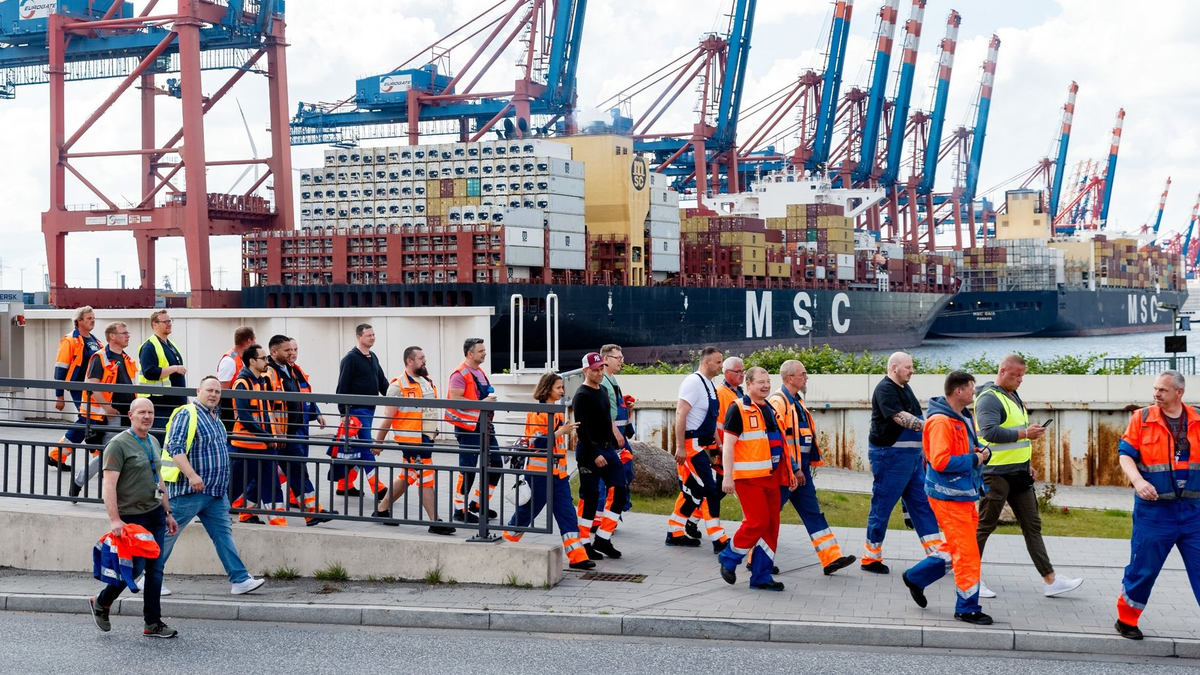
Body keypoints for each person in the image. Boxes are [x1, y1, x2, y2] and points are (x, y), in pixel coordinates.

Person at [975, 354, 1083, 598]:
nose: (1020, 380)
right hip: (996, 474)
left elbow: (1015, 439)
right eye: (1016, 375)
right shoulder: (989, 398)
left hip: (1019, 473)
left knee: (1032, 526)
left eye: (1022, 376)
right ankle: (970, 579)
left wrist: (1027, 463)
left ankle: (1051, 580)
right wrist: (1025, 433)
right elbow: (990, 432)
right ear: (1002, 371)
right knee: (984, 526)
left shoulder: (1012, 396)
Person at [155, 375, 266, 596]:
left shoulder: (215, 417)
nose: (213, 394)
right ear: (198, 391)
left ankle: (240, 580)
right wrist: (192, 475)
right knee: (168, 534)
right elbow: (175, 448)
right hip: (189, 491)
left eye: (217, 391)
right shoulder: (188, 414)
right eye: (209, 390)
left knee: (223, 536)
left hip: (215, 492)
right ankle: (148, 578)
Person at [901, 371, 993, 626]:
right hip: (949, 496)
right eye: (971, 388)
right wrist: (975, 458)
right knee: (967, 554)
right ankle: (967, 608)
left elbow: (962, 449)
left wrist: (979, 452)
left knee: (956, 548)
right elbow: (941, 461)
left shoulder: (962, 416)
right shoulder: (942, 422)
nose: (974, 392)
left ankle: (916, 577)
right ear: (958, 391)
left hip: (963, 494)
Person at [1113, 370, 1200, 640]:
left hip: (1194, 512)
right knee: (1143, 569)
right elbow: (1125, 455)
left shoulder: (1197, 419)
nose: (1156, 394)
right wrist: (1138, 481)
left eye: (1162, 390)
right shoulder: (1142, 419)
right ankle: (1126, 620)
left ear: (1179, 392)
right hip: (1154, 511)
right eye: (1155, 389)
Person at [88, 398, 180, 639]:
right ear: (131, 415)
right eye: (142, 412)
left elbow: (159, 479)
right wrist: (115, 520)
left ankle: (152, 623)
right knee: (135, 569)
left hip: (155, 515)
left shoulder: (153, 441)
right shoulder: (117, 445)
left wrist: (168, 512)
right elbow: (109, 486)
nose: (147, 417)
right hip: (131, 519)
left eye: (150, 412)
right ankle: (102, 601)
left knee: (156, 570)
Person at [769, 359, 856, 575]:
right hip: (786, 472)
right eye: (803, 374)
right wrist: (794, 468)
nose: (806, 377)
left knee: (813, 513)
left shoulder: (796, 401)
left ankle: (831, 558)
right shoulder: (778, 402)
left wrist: (801, 468)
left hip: (801, 471)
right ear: (790, 378)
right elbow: (779, 440)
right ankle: (757, 560)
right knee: (769, 516)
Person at [503, 371, 594, 570]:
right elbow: (536, 443)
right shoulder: (538, 413)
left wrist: (560, 432)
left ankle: (578, 557)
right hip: (540, 476)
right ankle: (506, 541)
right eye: (558, 387)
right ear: (547, 389)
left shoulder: (555, 411)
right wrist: (560, 432)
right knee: (527, 513)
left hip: (558, 476)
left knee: (567, 514)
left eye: (562, 387)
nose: (562, 391)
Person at [717, 366, 796, 591]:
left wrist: (790, 473)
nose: (766, 386)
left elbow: (780, 443)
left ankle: (761, 576)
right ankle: (729, 557)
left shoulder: (769, 408)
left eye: (768, 381)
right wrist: (727, 477)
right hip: (748, 479)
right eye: (760, 382)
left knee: (771, 527)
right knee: (757, 522)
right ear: (748, 384)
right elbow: (728, 446)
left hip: (772, 478)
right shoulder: (738, 409)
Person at [862, 352, 942, 573]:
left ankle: (937, 555)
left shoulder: (905, 388)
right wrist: (932, 427)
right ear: (894, 367)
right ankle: (871, 558)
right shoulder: (885, 389)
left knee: (923, 505)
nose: (912, 370)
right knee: (882, 506)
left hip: (912, 459)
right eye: (908, 367)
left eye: (912, 366)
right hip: (891, 459)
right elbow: (900, 417)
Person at [371, 345, 456, 535]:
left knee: (407, 475)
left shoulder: (426, 381)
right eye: (421, 358)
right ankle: (435, 522)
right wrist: (378, 442)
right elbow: (388, 417)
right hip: (412, 441)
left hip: (425, 439)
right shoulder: (397, 386)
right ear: (409, 361)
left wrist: (433, 432)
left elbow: (429, 411)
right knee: (427, 478)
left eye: (424, 357)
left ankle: (381, 510)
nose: (424, 361)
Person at [265, 335, 334, 526]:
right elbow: (267, 406)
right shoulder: (269, 372)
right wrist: (276, 432)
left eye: (294, 349)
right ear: (274, 352)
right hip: (277, 435)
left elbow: (304, 395)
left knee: (299, 472)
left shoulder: (291, 370)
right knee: (266, 476)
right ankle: (249, 513)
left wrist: (315, 412)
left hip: (292, 431)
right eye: (287, 350)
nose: (292, 353)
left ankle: (313, 512)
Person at [70, 321, 138, 499]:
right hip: (111, 416)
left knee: (125, 453)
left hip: (128, 414)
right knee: (108, 454)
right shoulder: (99, 357)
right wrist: (108, 409)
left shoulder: (126, 358)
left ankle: (122, 494)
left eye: (127, 333)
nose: (128, 336)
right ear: (112, 336)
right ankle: (79, 481)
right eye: (124, 333)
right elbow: (93, 386)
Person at [575, 343, 635, 546]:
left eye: (601, 369)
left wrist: (614, 444)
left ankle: (603, 538)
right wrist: (595, 454)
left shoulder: (602, 390)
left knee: (619, 490)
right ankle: (584, 542)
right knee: (590, 496)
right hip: (590, 451)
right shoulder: (582, 396)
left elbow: (606, 420)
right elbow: (581, 430)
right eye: (595, 370)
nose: (600, 373)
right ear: (586, 371)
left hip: (608, 448)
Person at [666, 346, 725, 548]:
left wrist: (719, 444)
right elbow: (680, 414)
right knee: (710, 490)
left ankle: (674, 531)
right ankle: (718, 538)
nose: (721, 366)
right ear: (706, 362)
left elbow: (711, 419)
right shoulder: (693, 382)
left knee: (694, 491)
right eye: (718, 362)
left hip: (703, 445)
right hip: (691, 447)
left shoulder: (710, 385)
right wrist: (680, 447)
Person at [228, 344, 286, 526]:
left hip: (263, 444)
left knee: (271, 483)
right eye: (263, 358)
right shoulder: (242, 383)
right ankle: (214, 514)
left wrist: (272, 436)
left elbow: (266, 413)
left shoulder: (260, 381)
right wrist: (267, 437)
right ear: (252, 361)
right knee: (235, 485)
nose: (267, 361)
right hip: (246, 446)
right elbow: (245, 417)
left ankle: (278, 521)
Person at [446, 337, 503, 523]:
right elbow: (455, 399)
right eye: (481, 351)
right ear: (470, 354)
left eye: (484, 350)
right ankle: (459, 509)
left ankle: (478, 503)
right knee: (468, 468)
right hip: (468, 427)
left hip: (485, 426)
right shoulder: (459, 374)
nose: (484, 353)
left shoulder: (479, 372)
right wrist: (481, 403)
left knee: (496, 464)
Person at [332, 323, 389, 498]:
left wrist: (395, 397)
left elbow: (382, 382)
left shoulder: (373, 357)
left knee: (357, 448)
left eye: (373, 335)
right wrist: (343, 413)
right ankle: (378, 488)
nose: (372, 338)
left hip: (369, 410)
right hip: (356, 411)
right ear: (359, 337)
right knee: (366, 447)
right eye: (368, 335)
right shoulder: (350, 359)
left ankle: (344, 485)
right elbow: (342, 386)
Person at [49, 305, 102, 470]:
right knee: (90, 420)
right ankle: (99, 461)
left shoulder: (96, 341)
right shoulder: (70, 340)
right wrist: (59, 396)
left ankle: (57, 456)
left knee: (88, 421)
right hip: (78, 387)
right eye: (89, 318)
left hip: (94, 389)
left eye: (93, 318)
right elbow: (60, 368)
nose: (93, 321)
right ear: (79, 321)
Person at [137, 309, 187, 437]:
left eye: (170, 321)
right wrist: (174, 368)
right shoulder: (149, 346)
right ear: (155, 324)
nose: (169, 324)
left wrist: (185, 398)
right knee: (161, 439)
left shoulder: (171, 345)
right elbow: (149, 372)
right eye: (165, 322)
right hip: (160, 404)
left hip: (175, 403)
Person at [216, 326, 256, 432]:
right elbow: (223, 390)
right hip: (229, 412)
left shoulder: (242, 359)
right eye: (254, 341)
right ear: (249, 341)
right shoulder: (229, 361)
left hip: (238, 407)